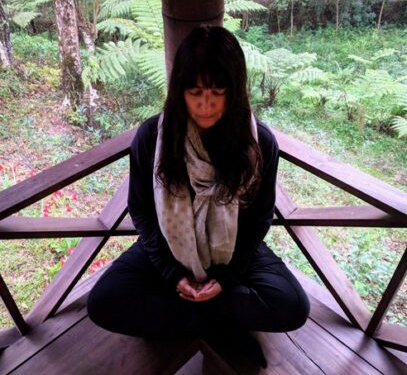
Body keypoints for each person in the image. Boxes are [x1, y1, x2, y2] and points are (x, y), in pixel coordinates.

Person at [87, 26, 309, 369]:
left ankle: (188, 315)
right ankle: (218, 322)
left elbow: (259, 219)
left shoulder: (258, 144)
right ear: (180, 92)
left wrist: (226, 280)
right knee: (103, 303)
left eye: (218, 91)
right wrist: (174, 274)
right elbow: (142, 211)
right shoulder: (153, 137)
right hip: (170, 248)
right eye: (195, 92)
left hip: (231, 250)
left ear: (235, 91)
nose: (206, 105)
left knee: (293, 306)